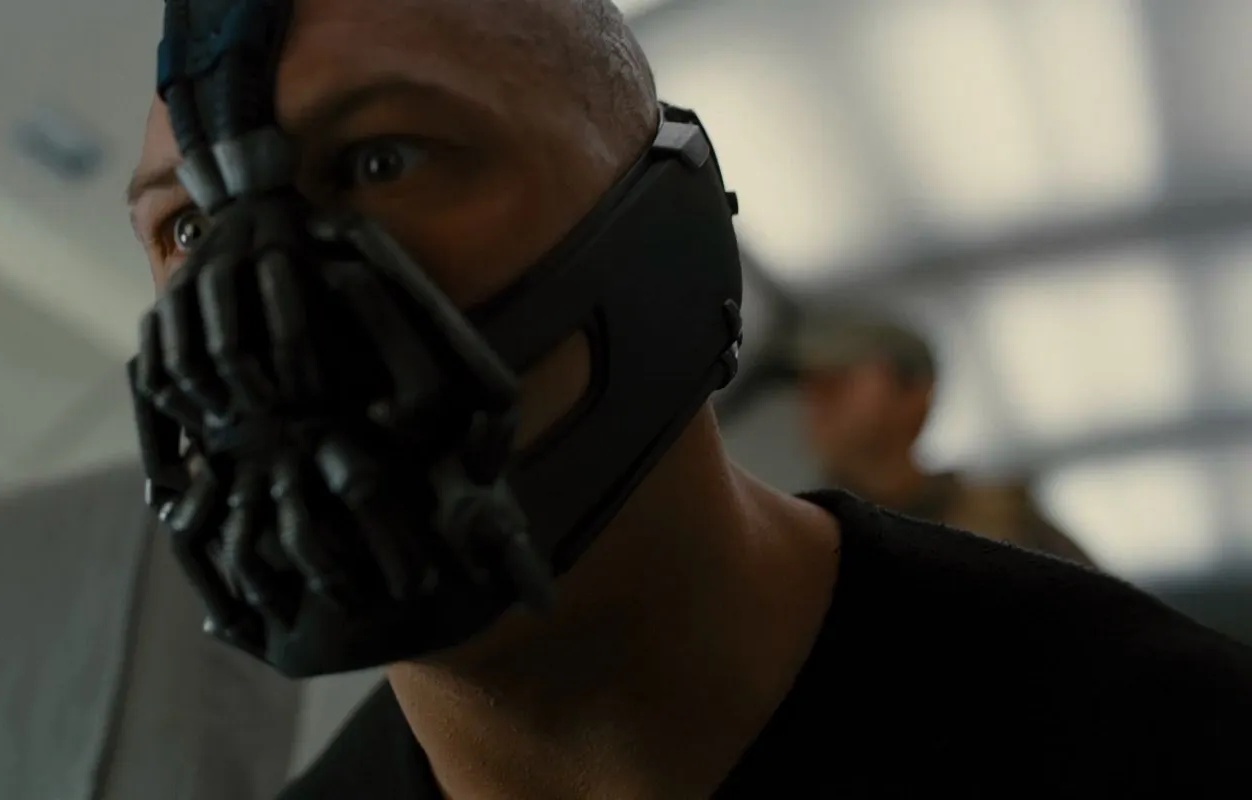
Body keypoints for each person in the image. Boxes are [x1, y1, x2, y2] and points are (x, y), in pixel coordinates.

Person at [123, 0, 1252, 797]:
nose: (253, 306)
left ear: (670, 232)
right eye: (188, 227)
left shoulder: (1155, 735)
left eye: (382, 161)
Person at [789, 311, 1099, 567]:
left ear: (914, 394)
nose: (815, 405)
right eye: (809, 390)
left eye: (836, 384)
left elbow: (1105, 614)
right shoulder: (798, 531)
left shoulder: (1005, 519)